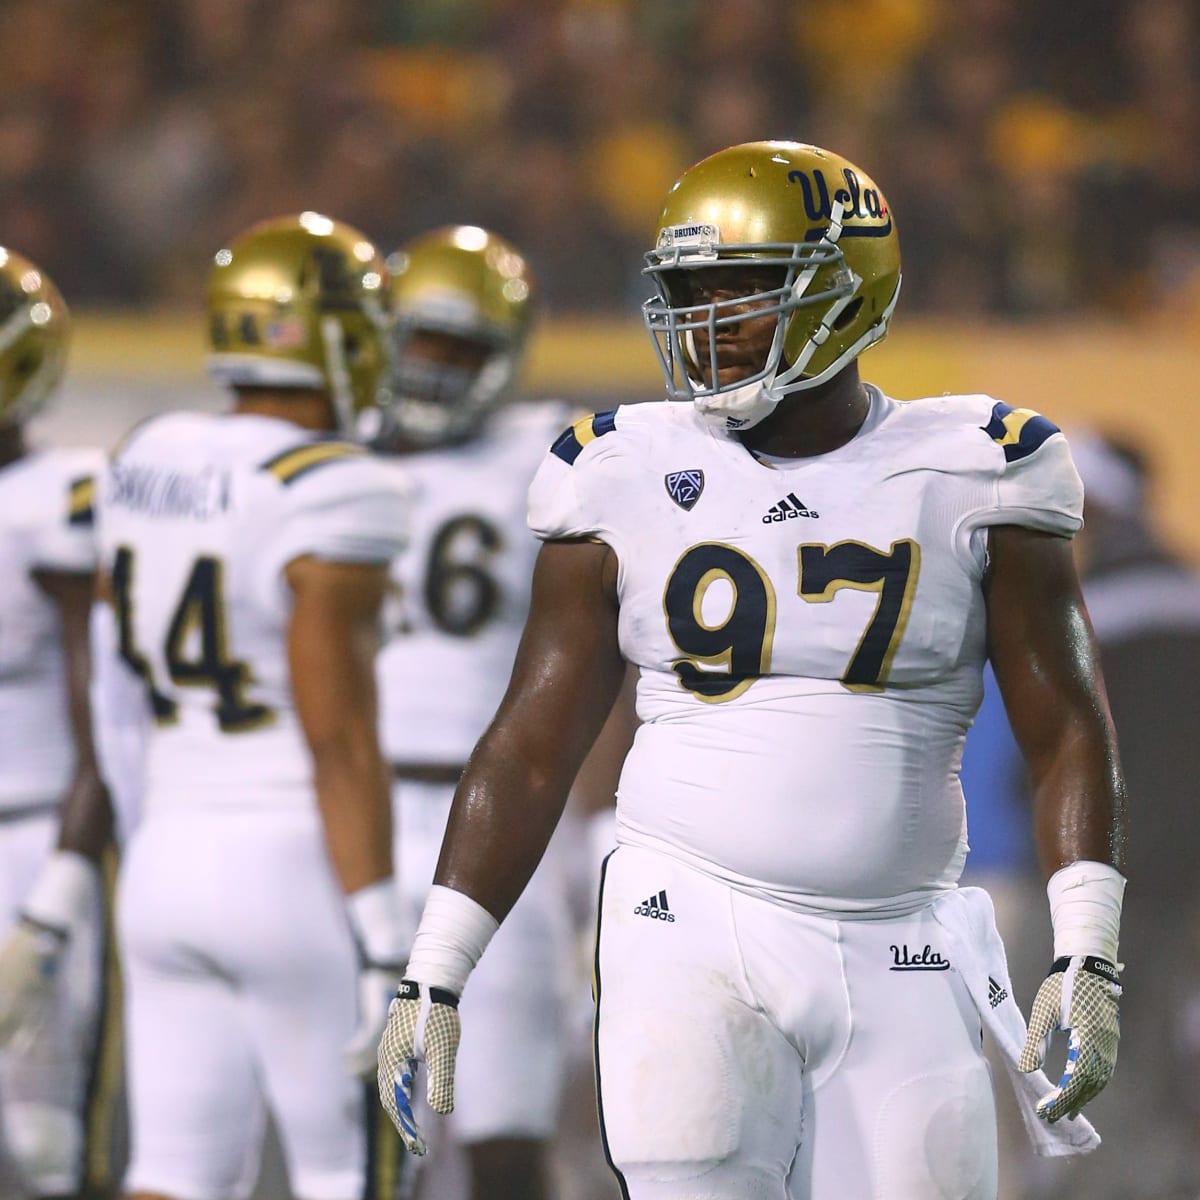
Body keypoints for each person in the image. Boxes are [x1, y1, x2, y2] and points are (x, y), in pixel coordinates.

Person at [377, 142, 1130, 1200]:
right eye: (690, 290)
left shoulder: (978, 466)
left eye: (742, 288)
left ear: (846, 287)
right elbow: (532, 744)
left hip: (902, 934)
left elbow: (1066, 727)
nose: (708, 318)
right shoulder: (617, 469)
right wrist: (437, 966)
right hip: (686, 917)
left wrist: (1085, 946)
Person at [95, 213, 410, 1200]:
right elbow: (339, 736)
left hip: (164, 859)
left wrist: (142, 836)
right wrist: (381, 932)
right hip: (291, 869)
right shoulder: (335, 487)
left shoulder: (147, 451)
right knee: (343, 1174)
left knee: (172, 1173)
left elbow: (114, 694)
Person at [371, 225, 577, 1200]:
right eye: (421, 342)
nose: (434, 370)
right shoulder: (325, 458)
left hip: (498, 823)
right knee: (358, 1137)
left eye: (460, 349)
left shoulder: (545, 456)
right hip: (353, 818)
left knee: (502, 1135)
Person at [0, 248, 113, 1200]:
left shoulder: (60, 499)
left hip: (28, 839)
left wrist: (60, 894)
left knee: (43, 1149)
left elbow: (102, 727)